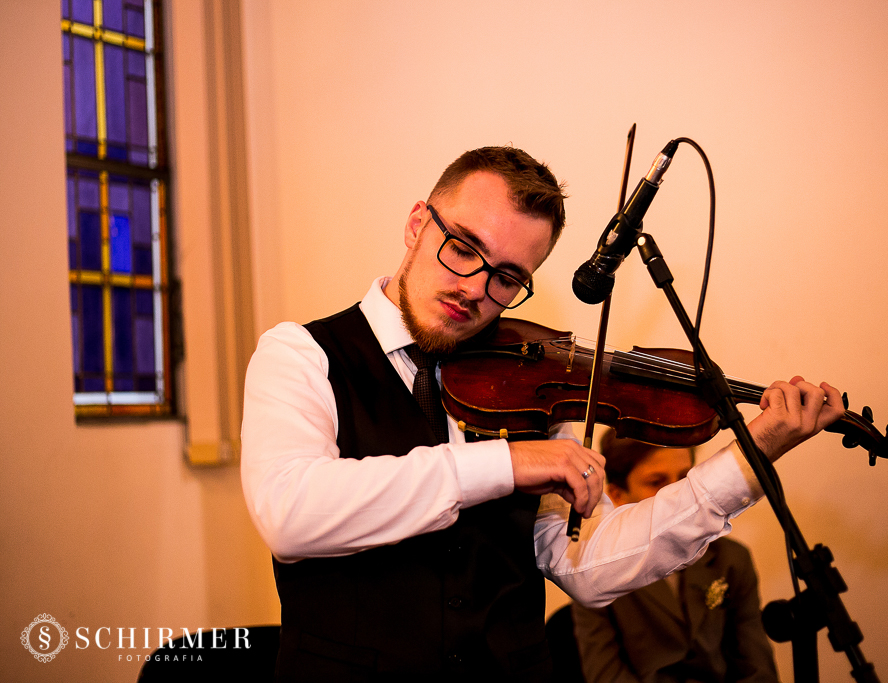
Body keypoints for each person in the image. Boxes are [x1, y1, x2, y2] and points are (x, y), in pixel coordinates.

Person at [240, 145, 844, 682]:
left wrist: (749, 456)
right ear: (417, 224)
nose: (475, 288)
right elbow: (290, 513)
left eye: (507, 277)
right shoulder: (300, 355)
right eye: (464, 249)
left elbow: (588, 564)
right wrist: (504, 462)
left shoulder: (531, 385)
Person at [572, 434, 780, 683]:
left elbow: (757, 667)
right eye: (656, 482)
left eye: (685, 478)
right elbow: (606, 676)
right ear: (617, 494)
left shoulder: (732, 558)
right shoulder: (593, 573)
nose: (677, 494)